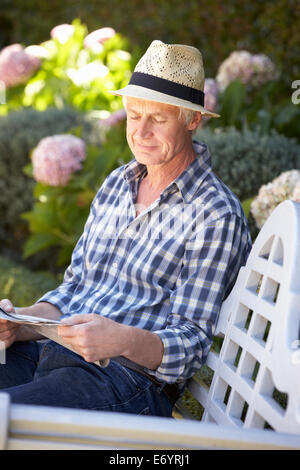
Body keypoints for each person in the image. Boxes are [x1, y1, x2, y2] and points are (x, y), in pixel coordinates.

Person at [0, 40, 251, 417]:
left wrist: (120, 339)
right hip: (54, 355)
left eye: (159, 118)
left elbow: (190, 344)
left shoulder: (216, 213)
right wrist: (21, 322)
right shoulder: (119, 182)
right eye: (135, 115)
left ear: (192, 120)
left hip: (126, 382)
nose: (142, 132)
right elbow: (75, 290)